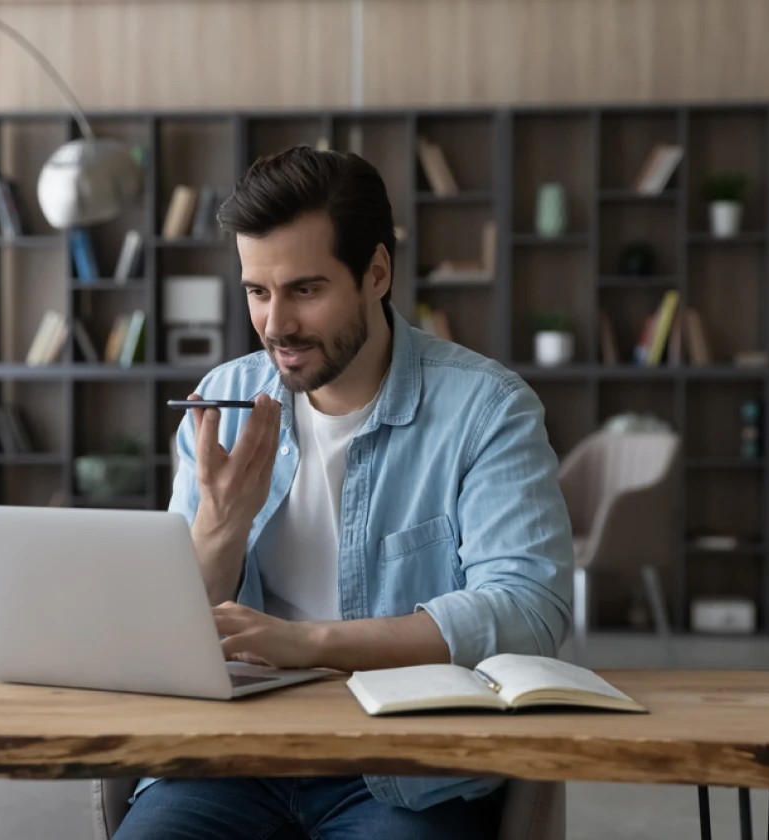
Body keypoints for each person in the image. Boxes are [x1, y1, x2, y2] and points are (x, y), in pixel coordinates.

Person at [113, 146, 574, 840]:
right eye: (257, 292)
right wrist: (219, 527)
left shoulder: (487, 409)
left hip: (403, 774)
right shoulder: (222, 400)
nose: (275, 325)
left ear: (377, 274)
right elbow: (173, 630)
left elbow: (528, 611)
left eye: (305, 289)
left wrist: (308, 643)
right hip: (231, 761)